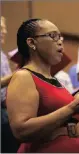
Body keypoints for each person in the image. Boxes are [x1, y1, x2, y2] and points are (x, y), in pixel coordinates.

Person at [6, 18, 79, 153]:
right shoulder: (24, 76)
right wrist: (72, 108)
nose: (60, 41)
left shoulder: (56, 83)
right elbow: (21, 130)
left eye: (60, 36)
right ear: (32, 42)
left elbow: (74, 136)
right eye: (53, 36)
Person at [1, 16, 20, 153]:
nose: (5, 31)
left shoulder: (2, 55)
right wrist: (17, 74)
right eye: (0, 28)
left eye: (4, 27)